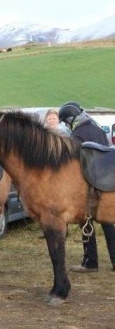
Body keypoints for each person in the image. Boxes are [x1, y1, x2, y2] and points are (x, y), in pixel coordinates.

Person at [59, 101, 115, 273]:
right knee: (107, 223)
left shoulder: (78, 134)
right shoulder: (97, 128)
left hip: (87, 183)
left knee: (86, 220)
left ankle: (90, 262)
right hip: (106, 181)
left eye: (66, 122)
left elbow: (73, 161)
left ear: (70, 119)